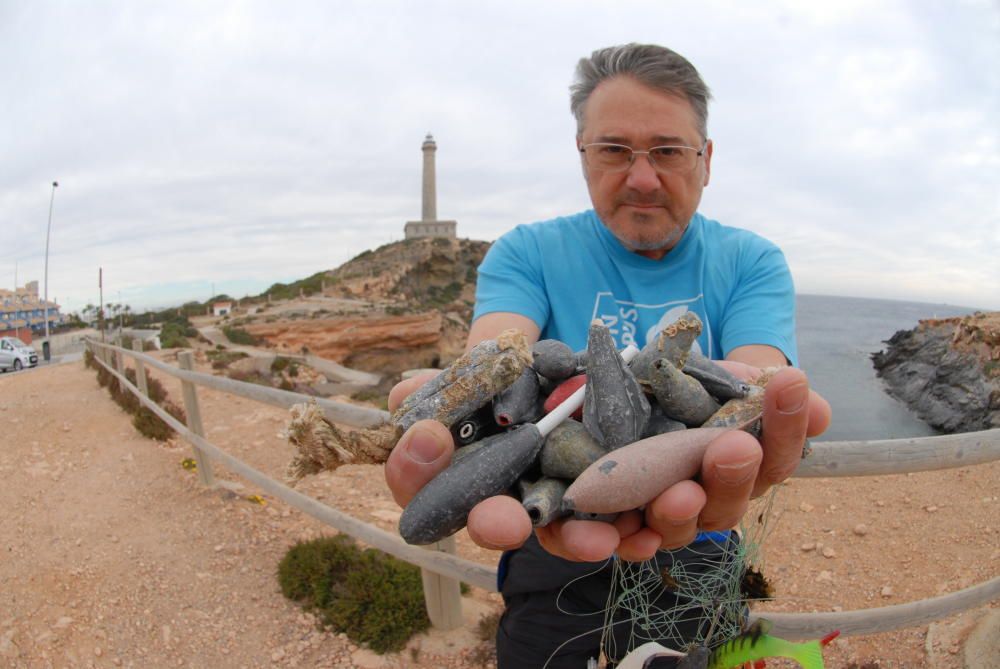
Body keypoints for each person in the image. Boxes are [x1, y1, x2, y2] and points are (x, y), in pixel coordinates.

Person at [385, 43, 831, 667]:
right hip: (550, 543)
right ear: (583, 155)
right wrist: (466, 407)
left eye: (669, 151)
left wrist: (758, 402)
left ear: (706, 160)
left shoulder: (751, 261)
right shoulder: (525, 253)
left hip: (698, 532)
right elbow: (499, 360)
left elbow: (757, 381)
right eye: (614, 149)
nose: (642, 177)